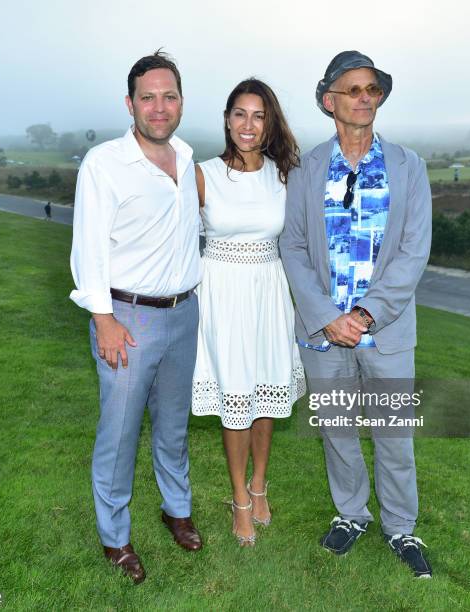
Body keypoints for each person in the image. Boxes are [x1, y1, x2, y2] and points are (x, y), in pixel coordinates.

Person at [279, 51, 433, 578]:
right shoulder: (304, 168)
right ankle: (351, 514)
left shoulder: (409, 166)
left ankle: (401, 527)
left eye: (372, 89)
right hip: (324, 333)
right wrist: (327, 316)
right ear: (330, 102)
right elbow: (293, 247)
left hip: (385, 330)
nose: (365, 97)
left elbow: (414, 251)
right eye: (354, 90)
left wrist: (365, 315)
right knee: (338, 430)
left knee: (394, 434)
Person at [69, 51, 203, 585]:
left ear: (181, 102)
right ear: (130, 103)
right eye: (147, 97)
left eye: (169, 96)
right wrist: (103, 319)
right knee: (120, 433)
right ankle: (115, 538)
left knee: (173, 426)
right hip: (128, 317)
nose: (159, 106)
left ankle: (176, 509)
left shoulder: (189, 156)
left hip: (184, 313)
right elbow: (88, 250)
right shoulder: (103, 164)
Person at [191, 79, 305, 546]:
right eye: (240, 113)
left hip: (269, 290)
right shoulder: (202, 174)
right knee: (236, 397)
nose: (248, 125)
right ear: (226, 118)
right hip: (221, 290)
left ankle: (260, 485)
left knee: (267, 390)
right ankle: (239, 498)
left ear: (269, 122)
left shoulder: (284, 174)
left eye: (258, 116)